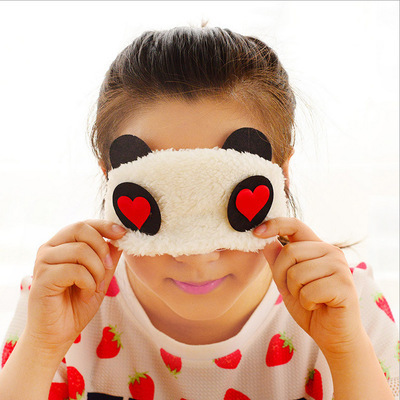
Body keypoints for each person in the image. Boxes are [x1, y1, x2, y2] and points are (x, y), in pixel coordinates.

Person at [0, 27, 398, 400]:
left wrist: (345, 348)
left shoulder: (342, 303)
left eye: (224, 206)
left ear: (282, 175)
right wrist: (42, 346)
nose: (196, 256)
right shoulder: (58, 301)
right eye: (162, 205)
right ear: (110, 177)